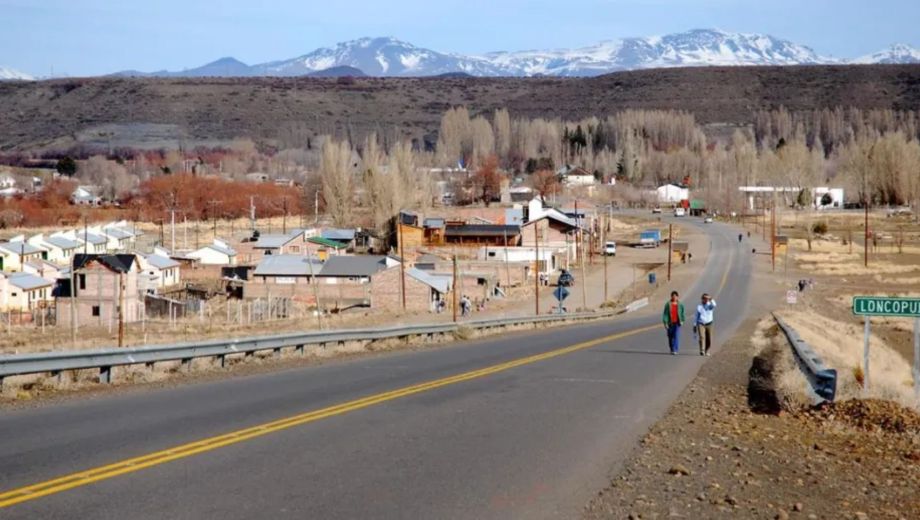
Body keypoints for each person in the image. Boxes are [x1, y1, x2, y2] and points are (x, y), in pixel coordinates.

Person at [661, 291, 685, 355]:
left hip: (677, 323)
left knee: (676, 336)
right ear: (671, 297)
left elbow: (682, 313)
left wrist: (682, 320)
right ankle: (672, 348)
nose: (674, 297)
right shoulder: (668, 304)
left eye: (675, 296)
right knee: (670, 337)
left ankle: (675, 349)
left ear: (677, 297)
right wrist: (665, 323)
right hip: (670, 323)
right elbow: (665, 314)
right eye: (673, 296)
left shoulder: (680, 305)